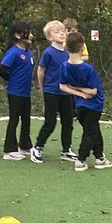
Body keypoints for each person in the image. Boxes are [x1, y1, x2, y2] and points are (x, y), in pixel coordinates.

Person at [59, 31, 112, 171]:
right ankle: (81, 160)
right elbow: (93, 91)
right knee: (90, 132)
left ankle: (100, 157)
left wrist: (76, 91)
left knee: (93, 130)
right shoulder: (87, 68)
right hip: (94, 105)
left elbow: (63, 86)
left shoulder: (64, 66)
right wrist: (82, 92)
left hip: (81, 104)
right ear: (82, 46)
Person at [30, 20, 77, 162]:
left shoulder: (68, 52)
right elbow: (40, 71)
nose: (62, 33)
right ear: (49, 37)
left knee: (68, 122)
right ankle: (37, 147)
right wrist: (43, 89)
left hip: (66, 92)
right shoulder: (48, 53)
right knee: (50, 122)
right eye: (57, 32)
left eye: (63, 31)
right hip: (52, 92)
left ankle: (66, 150)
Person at [0, 20, 34, 159]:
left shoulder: (28, 53)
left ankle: (25, 145)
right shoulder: (13, 52)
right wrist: (12, 80)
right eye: (28, 33)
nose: (31, 36)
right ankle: (9, 149)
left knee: (26, 119)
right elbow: (2, 69)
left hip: (26, 92)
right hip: (15, 92)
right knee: (14, 119)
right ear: (18, 35)